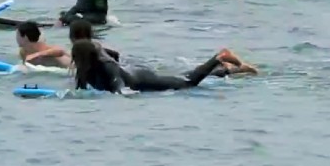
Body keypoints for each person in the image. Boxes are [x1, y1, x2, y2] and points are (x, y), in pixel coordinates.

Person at [72, 42, 250, 93]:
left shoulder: (106, 66)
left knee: (188, 83)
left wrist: (123, 93)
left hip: (143, 79)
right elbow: (80, 90)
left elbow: (118, 83)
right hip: (136, 74)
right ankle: (228, 70)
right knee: (182, 76)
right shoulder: (85, 69)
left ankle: (219, 57)